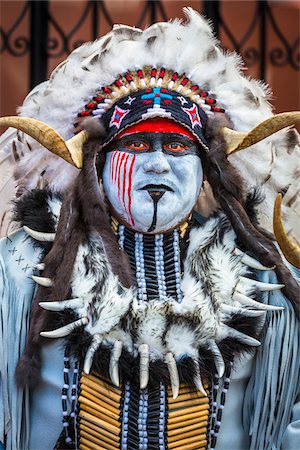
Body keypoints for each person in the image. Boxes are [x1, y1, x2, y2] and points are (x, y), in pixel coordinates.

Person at [0, 8, 299, 450]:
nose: (158, 163)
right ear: (95, 165)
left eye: (178, 146)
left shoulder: (264, 282)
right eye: (136, 144)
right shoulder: (24, 269)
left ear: (208, 169)